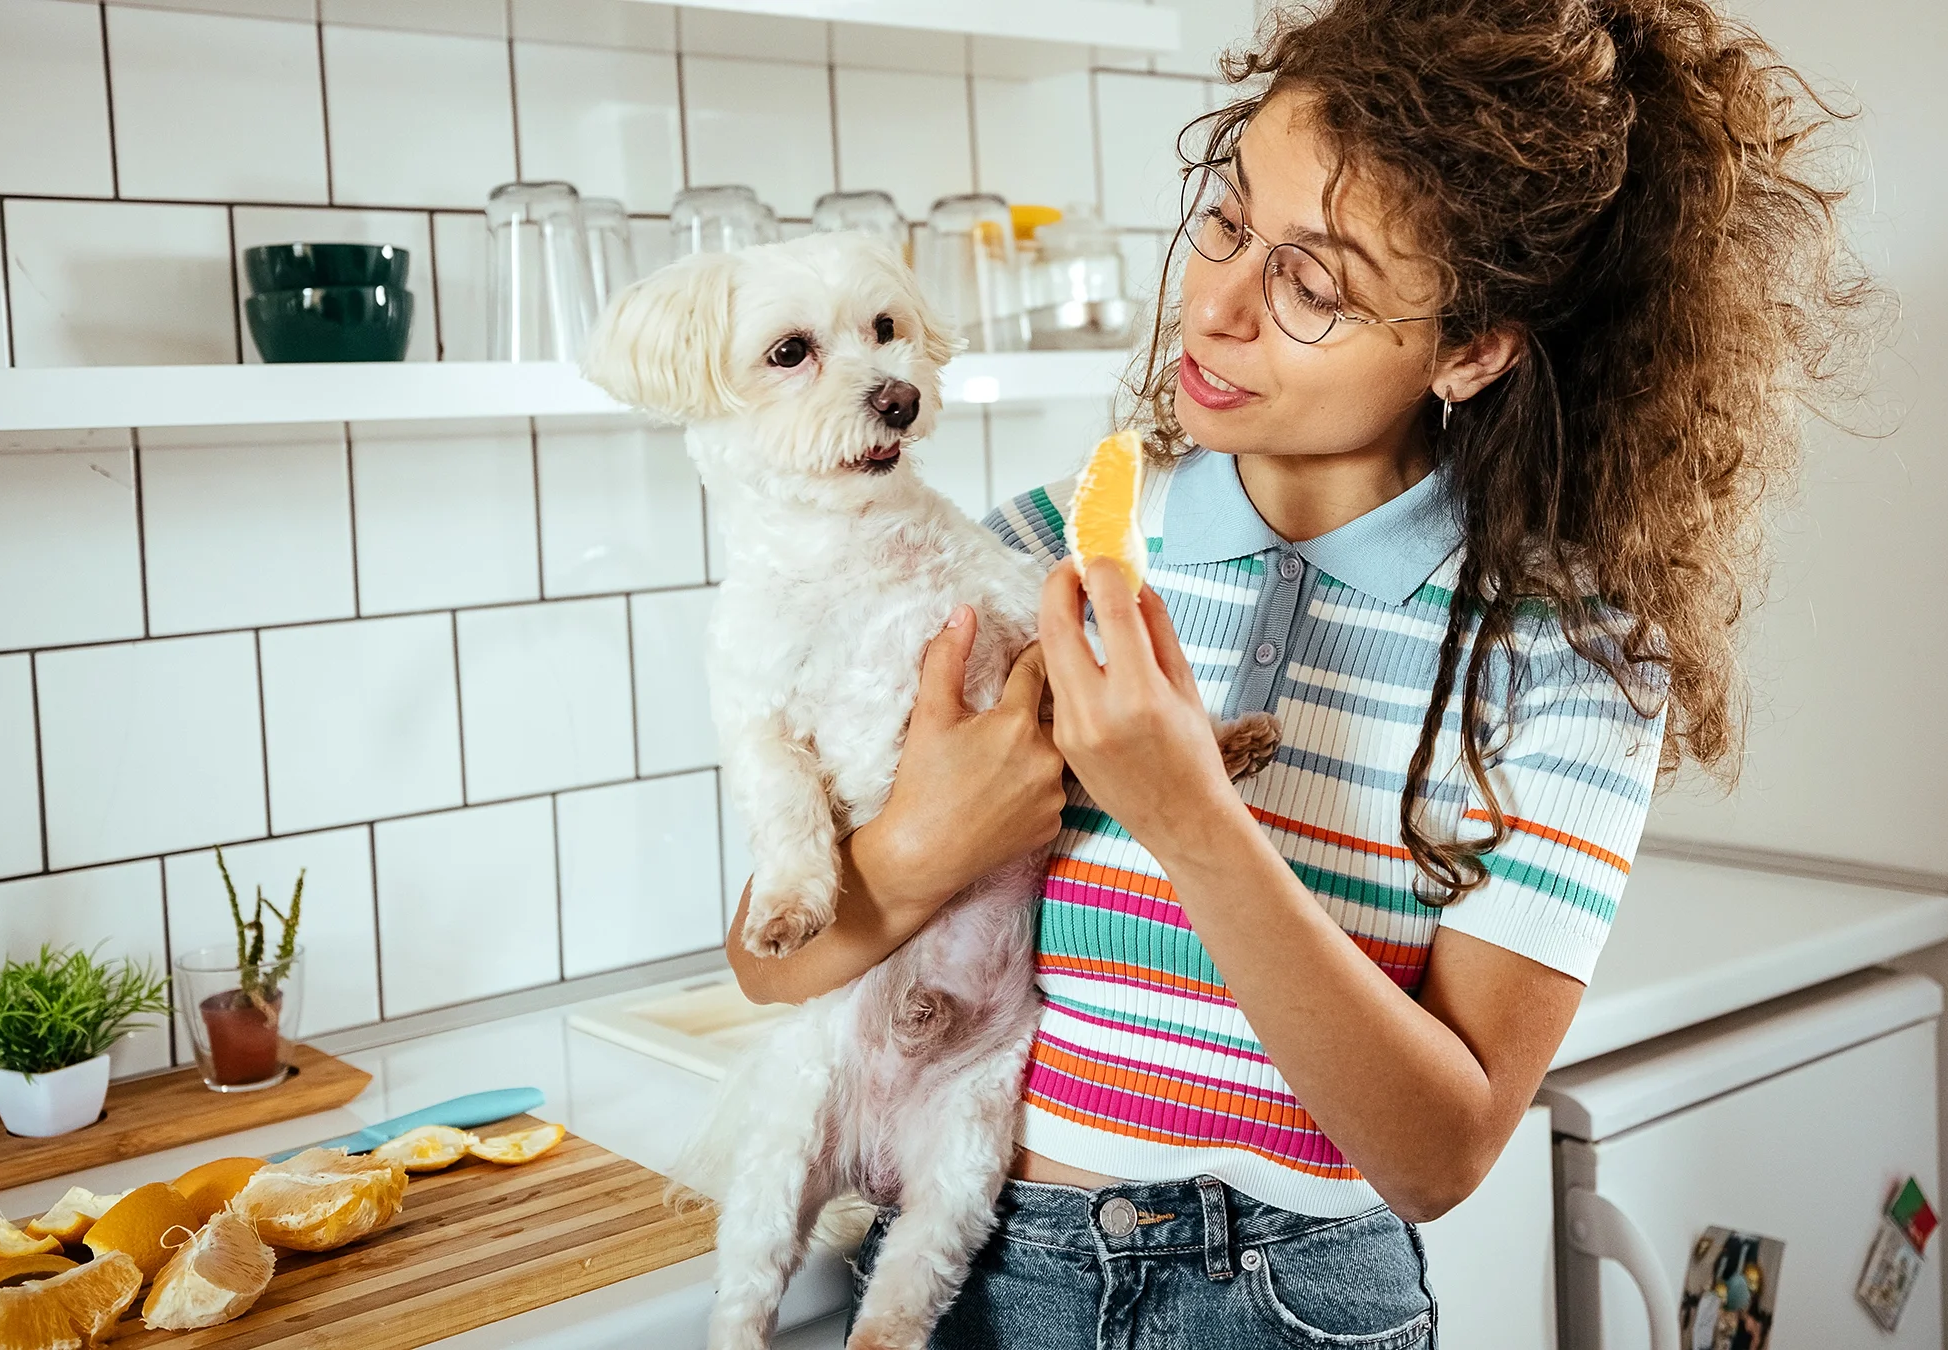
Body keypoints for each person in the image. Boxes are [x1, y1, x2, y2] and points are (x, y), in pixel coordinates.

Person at [726, 0, 1877, 1344]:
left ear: (1470, 346)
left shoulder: (1569, 656)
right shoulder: (1044, 549)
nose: (1212, 307)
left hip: (1294, 1299)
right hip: (990, 1275)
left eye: (1312, 285)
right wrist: (929, 836)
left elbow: (1439, 1153)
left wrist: (1190, 820)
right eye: (1226, 219)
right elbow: (768, 962)